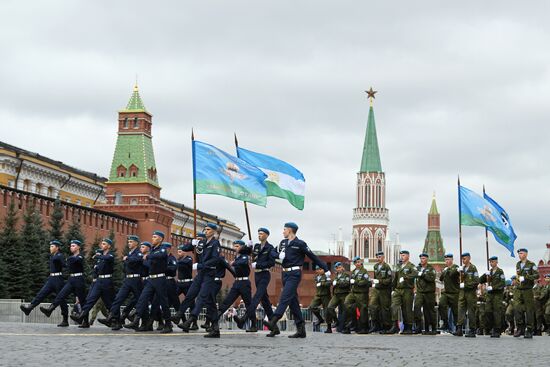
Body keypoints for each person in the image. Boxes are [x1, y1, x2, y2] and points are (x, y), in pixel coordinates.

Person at [263, 222, 329, 338]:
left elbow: (313, 257)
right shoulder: (283, 243)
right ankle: (301, 330)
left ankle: (273, 320)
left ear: (290, 230)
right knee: (293, 303)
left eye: (284, 230)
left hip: (294, 273)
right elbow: (272, 252)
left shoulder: (300, 244)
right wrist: (278, 255)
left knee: (284, 296)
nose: (283, 232)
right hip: (284, 273)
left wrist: (326, 268)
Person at [179, 223, 223, 338]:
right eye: (205, 229)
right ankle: (216, 329)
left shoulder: (215, 243)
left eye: (208, 229)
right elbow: (184, 248)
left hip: (209, 273)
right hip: (201, 274)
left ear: (214, 231)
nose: (206, 231)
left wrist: (200, 265)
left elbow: (215, 259)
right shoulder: (202, 242)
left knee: (202, 297)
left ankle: (190, 320)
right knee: (200, 297)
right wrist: (192, 243)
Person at [124, 231, 173, 333]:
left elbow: (160, 255)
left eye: (155, 237)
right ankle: (136, 320)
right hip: (151, 279)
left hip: (160, 279)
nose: (153, 239)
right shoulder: (153, 250)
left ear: (160, 239)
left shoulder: (162, 248)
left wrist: (148, 256)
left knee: (163, 302)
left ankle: (168, 324)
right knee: (142, 298)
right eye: (152, 237)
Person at [234, 228, 278, 333]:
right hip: (257, 275)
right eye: (258, 234)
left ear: (267, 235)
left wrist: (258, 264)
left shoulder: (270, 248)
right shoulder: (257, 246)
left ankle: (244, 319)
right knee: (265, 301)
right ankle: (274, 327)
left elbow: (271, 263)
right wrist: (248, 246)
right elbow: (244, 252)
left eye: (261, 234)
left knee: (257, 297)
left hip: (265, 274)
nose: (259, 235)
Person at [98, 235, 144, 330]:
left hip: (136, 280)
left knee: (140, 301)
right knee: (118, 299)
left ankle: (142, 322)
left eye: (131, 242)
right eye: (129, 242)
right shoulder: (130, 253)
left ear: (136, 243)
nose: (129, 243)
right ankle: (111, 317)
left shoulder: (138, 253)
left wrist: (127, 259)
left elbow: (138, 260)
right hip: (127, 280)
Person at [20, 240, 68, 327]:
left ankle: (65, 320)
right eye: (50, 246)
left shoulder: (59, 255)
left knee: (61, 299)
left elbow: (65, 265)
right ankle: (29, 308)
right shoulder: (52, 256)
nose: (50, 248)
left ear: (57, 248)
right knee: (42, 293)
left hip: (58, 279)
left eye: (52, 246)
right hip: (51, 279)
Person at [40, 239, 86, 328]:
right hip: (71, 279)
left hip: (79, 279)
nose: (71, 247)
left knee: (82, 300)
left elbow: (77, 260)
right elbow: (67, 264)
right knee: (61, 295)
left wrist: (68, 259)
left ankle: (86, 321)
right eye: (71, 246)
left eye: (73, 246)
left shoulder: (80, 256)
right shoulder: (70, 257)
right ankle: (50, 309)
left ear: (78, 247)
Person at [71, 238, 115, 327]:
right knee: (90, 300)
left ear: (109, 246)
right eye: (102, 243)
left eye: (104, 244)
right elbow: (97, 271)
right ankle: (81, 316)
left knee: (109, 303)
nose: (102, 245)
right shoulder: (101, 259)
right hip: (99, 281)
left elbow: (107, 258)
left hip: (107, 282)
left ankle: (116, 321)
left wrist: (98, 256)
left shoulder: (110, 256)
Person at [217, 240, 254, 331]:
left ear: (242, 247)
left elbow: (243, 263)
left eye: (237, 246)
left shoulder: (245, 256)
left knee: (248, 304)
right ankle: (215, 319)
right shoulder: (236, 257)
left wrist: (234, 263)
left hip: (244, 283)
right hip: (237, 282)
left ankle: (253, 325)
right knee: (227, 301)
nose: (235, 248)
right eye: (235, 246)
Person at [387, 250, 417, 334]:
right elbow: (395, 278)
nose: (402, 257)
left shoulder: (411, 266)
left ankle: (408, 327)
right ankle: (395, 326)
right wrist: (393, 289)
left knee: (407, 309)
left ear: (408, 256)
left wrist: (406, 277)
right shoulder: (398, 266)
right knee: (394, 306)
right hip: (398, 289)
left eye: (403, 255)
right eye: (401, 255)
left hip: (407, 289)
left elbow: (415, 274)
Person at [514, 248, 539, 339]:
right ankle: (520, 328)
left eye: (521, 253)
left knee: (529, 310)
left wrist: (527, 277)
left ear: (526, 254)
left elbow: (537, 275)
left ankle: (529, 330)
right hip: (519, 289)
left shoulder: (531, 264)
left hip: (527, 290)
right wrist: (517, 281)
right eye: (519, 253)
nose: (519, 255)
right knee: (517, 309)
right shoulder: (518, 264)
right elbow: (517, 275)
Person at [343, 256, 371, 334]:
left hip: (362, 293)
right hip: (353, 292)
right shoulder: (354, 271)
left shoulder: (364, 271)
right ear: (354, 264)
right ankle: (351, 324)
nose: (358, 263)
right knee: (347, 303)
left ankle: (364, 328)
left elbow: (365, 282)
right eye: (356, 262)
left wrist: (355, 282)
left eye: (359, 262)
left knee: (363, 310)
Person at [454, 252, 479, 338]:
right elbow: (458, 280)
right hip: (462, 293)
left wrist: (466, 285)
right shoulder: (462, 269)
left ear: (469, 258)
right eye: (462, 259)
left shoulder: (473, 268)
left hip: (470, 293)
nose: (463, 261)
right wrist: (459, 274)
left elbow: (476, 281)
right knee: (460, 310)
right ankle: (459, 329)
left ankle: (472, 330)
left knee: (471, 311)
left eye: (464, 259)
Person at [479, 255, 505, 337]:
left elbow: (502, 284)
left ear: (496, 262)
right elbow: (480, 280)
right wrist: (485, 275)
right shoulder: (489, 272)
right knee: (488, 311)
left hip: (497, 295)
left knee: (496, 312)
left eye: (492, 261)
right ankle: (491, 327)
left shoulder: (500, 272)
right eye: (490, 262)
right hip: (490, 295)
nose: (491, 263)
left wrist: (493, 287)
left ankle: (497, 329)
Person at [413, 253, 437, 335]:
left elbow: (431, 278)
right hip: (420, 292)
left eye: (423, 258)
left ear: (427, 259)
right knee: (416, 307)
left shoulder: (431, 269)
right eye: (421, 258)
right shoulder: (418, 268)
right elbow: (414, 275)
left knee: (429, 311)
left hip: (429, 292)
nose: (422, 260)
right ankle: (418, 326)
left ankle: (432, 328)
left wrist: (423, 275)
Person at [173, 243, 195, 328]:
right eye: (178, 251)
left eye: (181, 251)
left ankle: (194, 323)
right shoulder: (178, 260)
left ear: (185, 252)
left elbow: (183, 263)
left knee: (191, 303)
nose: (179, 252)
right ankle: (181, 318)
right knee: (173, 298)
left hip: (187, 284)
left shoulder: (188, 259)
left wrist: (176, 262)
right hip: (179, 283)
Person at [369, 251, 392, 333]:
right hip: (377, 289)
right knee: (373, 306)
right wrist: (375, 282)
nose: (378, 259)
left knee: (384, 308)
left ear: (383, 257)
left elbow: (389, 279)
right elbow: (376, 277)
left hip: (384, 290)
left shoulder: (387, 267)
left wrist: (380, 281)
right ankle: (375, 325)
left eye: (380, 257)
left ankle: (386, 326)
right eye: (377, 257)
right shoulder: (375, 266)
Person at [325, 262, 350, 333]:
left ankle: (345, 328)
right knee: (330, 307)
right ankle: (336, 321)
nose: (338, 269)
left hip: (344, 295)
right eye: (337, 268)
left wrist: (338, 283)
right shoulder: (336, 276)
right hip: (336, 295)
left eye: (339, 267)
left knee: (344, 311)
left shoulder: (346, 275)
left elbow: (346, 284)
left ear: (342, 267)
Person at [438, 253, 459, 333]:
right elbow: (441, 278)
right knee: (441, 304)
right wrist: (444, 271)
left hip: (454, 293)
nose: (446, 261)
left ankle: (457, 328)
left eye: (448, 260)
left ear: (452, 260)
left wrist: (447, 269)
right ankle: (445, 323)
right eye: (446, 260)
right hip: (446, 293)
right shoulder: (445, 269)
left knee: (455, 312)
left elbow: (452, 274)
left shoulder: (456, 267)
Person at [308, 265, 332, 330]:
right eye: (318, 269)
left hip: (325, 295)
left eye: (321, 269)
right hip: (318, 295)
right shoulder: (316, 277)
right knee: (312, 306)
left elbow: (329, 284)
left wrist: (322, 283)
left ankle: (329, 328)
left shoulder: (326, 276)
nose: (319, 270)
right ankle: (320, 319)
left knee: (326, 311)